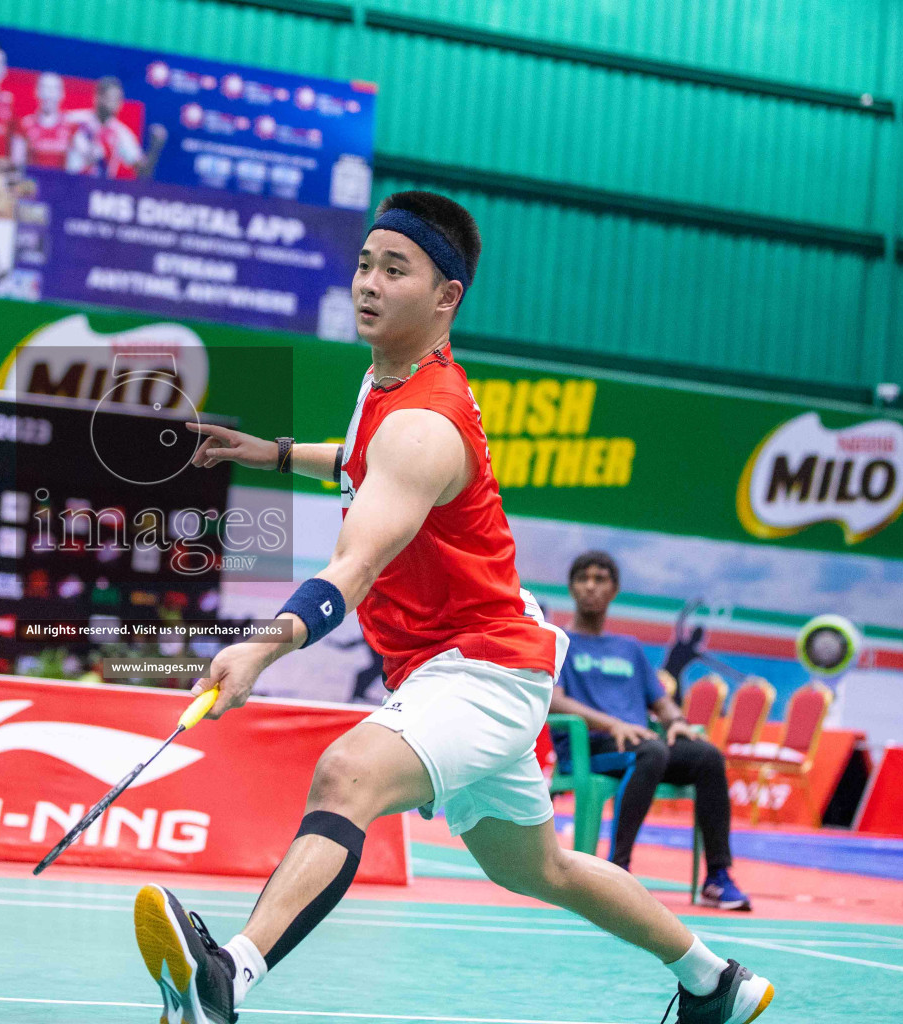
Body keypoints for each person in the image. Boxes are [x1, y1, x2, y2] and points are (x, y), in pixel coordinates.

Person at [132, 191, 774, 1024]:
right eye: (365, 263)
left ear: (447, 297)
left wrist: (261, 649)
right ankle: (714, 980)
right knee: (539, 869)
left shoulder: (424, 426)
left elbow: (356, 562)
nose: (369, 283)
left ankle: (227, 974)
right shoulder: (388, 384)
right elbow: (360, 460)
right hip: (464, 663)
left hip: (481, 665)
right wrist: (276, 451)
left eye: (395, 270)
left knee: (348, 773)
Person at [556, 550, 751, 911]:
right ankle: (618, 871)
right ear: (572, 588)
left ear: (614, 590)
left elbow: (661, 702)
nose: (591, 586)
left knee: (706, 756)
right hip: (593, 749)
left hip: (642, 747)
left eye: (600, 579)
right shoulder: (559, 642)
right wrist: (611, 723)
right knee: (652, 750)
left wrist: (676, 721)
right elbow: (554, 700)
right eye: (583, 578)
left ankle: (718, 878)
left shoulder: (628, 648)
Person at [64, 76, 166, 179]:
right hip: (67, 184)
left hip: (99, 190)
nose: (115, 104)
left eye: (118, 99)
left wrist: (155, 147)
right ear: (98, 97)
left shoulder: (121, 133)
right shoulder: (74, 120)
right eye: (110, 98)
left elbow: (142, 171)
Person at [12, 72, 76, 169]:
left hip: (61, 183)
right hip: (32, 182)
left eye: (53, 89)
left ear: (62, 94)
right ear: (36, 91)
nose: (48, 94)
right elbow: (16, 164)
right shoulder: (24, 125)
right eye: (44, 88)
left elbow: (74, 169)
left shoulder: (71, 126)